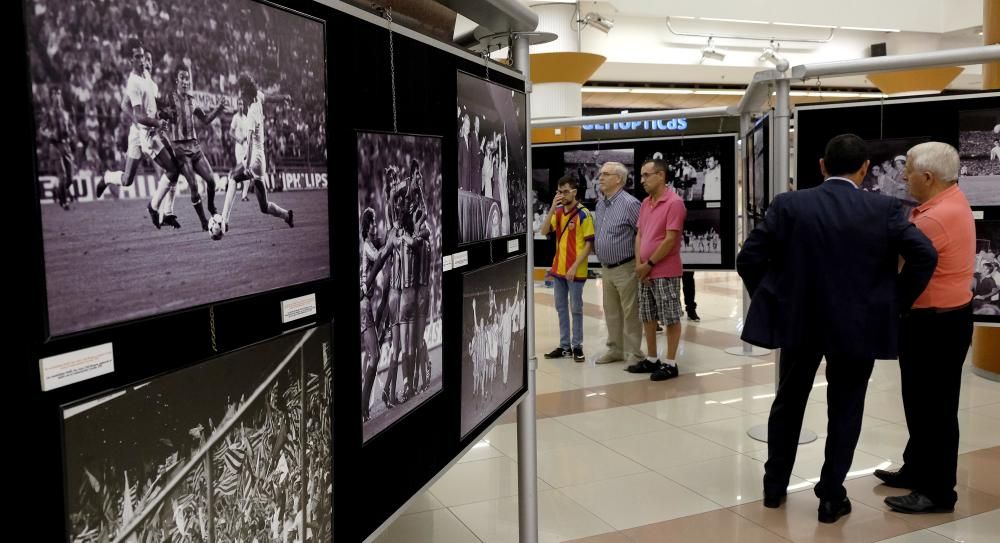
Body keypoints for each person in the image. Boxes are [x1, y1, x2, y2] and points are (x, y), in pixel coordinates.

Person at [737, 134, 937, 524]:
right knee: (846, 408)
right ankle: (831, 496)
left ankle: (773, 487)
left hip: (799, 322)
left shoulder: (790, 204)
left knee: (788, 402)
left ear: (822, 166)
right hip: (857, 326)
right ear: (865, 169)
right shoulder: (884, 208)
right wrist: (894, 303)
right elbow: (924, 255)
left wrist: (772, 297)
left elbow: (750, 258)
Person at [877, 142, 976, 514]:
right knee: (923, 403)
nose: (904, 176)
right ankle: (916, 468)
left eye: (910, 171)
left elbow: (898, 264)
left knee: (933, 409)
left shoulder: (934, 219)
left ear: (928, 177)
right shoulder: (951, 200)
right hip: (947, 318)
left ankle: (936, 492)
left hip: (934, 324)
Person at [627, 158, 686, 381]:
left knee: (670, 317)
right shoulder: (645, 203)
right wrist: (639, 264)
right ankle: (652, 358)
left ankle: (670, 363)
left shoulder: (674, 203)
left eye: (646, 175)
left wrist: (648, 263)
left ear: (660, 176)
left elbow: (670, 239)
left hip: (665, 271)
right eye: (641, 176)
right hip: (645, 270)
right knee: (648, 315)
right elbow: (640, 235)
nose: (642, 180)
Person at [592, 161, 643, 366]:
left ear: (619, 179)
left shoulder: (630, 204)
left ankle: (634, 353)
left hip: (626, 267)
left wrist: (641, 263)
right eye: (600, 174)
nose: (600, 177)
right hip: (606, 268)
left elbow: (642, 233)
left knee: (630, 312)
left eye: (605, 174)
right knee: (611, 311)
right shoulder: (600, 204)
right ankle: (615, 350)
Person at [540, 176, 594, 362]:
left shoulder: (583, 214)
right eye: (559, 192)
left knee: (576, 309)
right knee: (561, 308)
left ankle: (577, 346)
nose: (561, 195)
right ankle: (565, 347)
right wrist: (552, 208)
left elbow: (589, 245)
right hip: (559, 270)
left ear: (574, 192)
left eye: (564, 191)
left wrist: (574, 266)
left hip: (575, 271)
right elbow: (544, 231)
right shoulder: (559, 212)